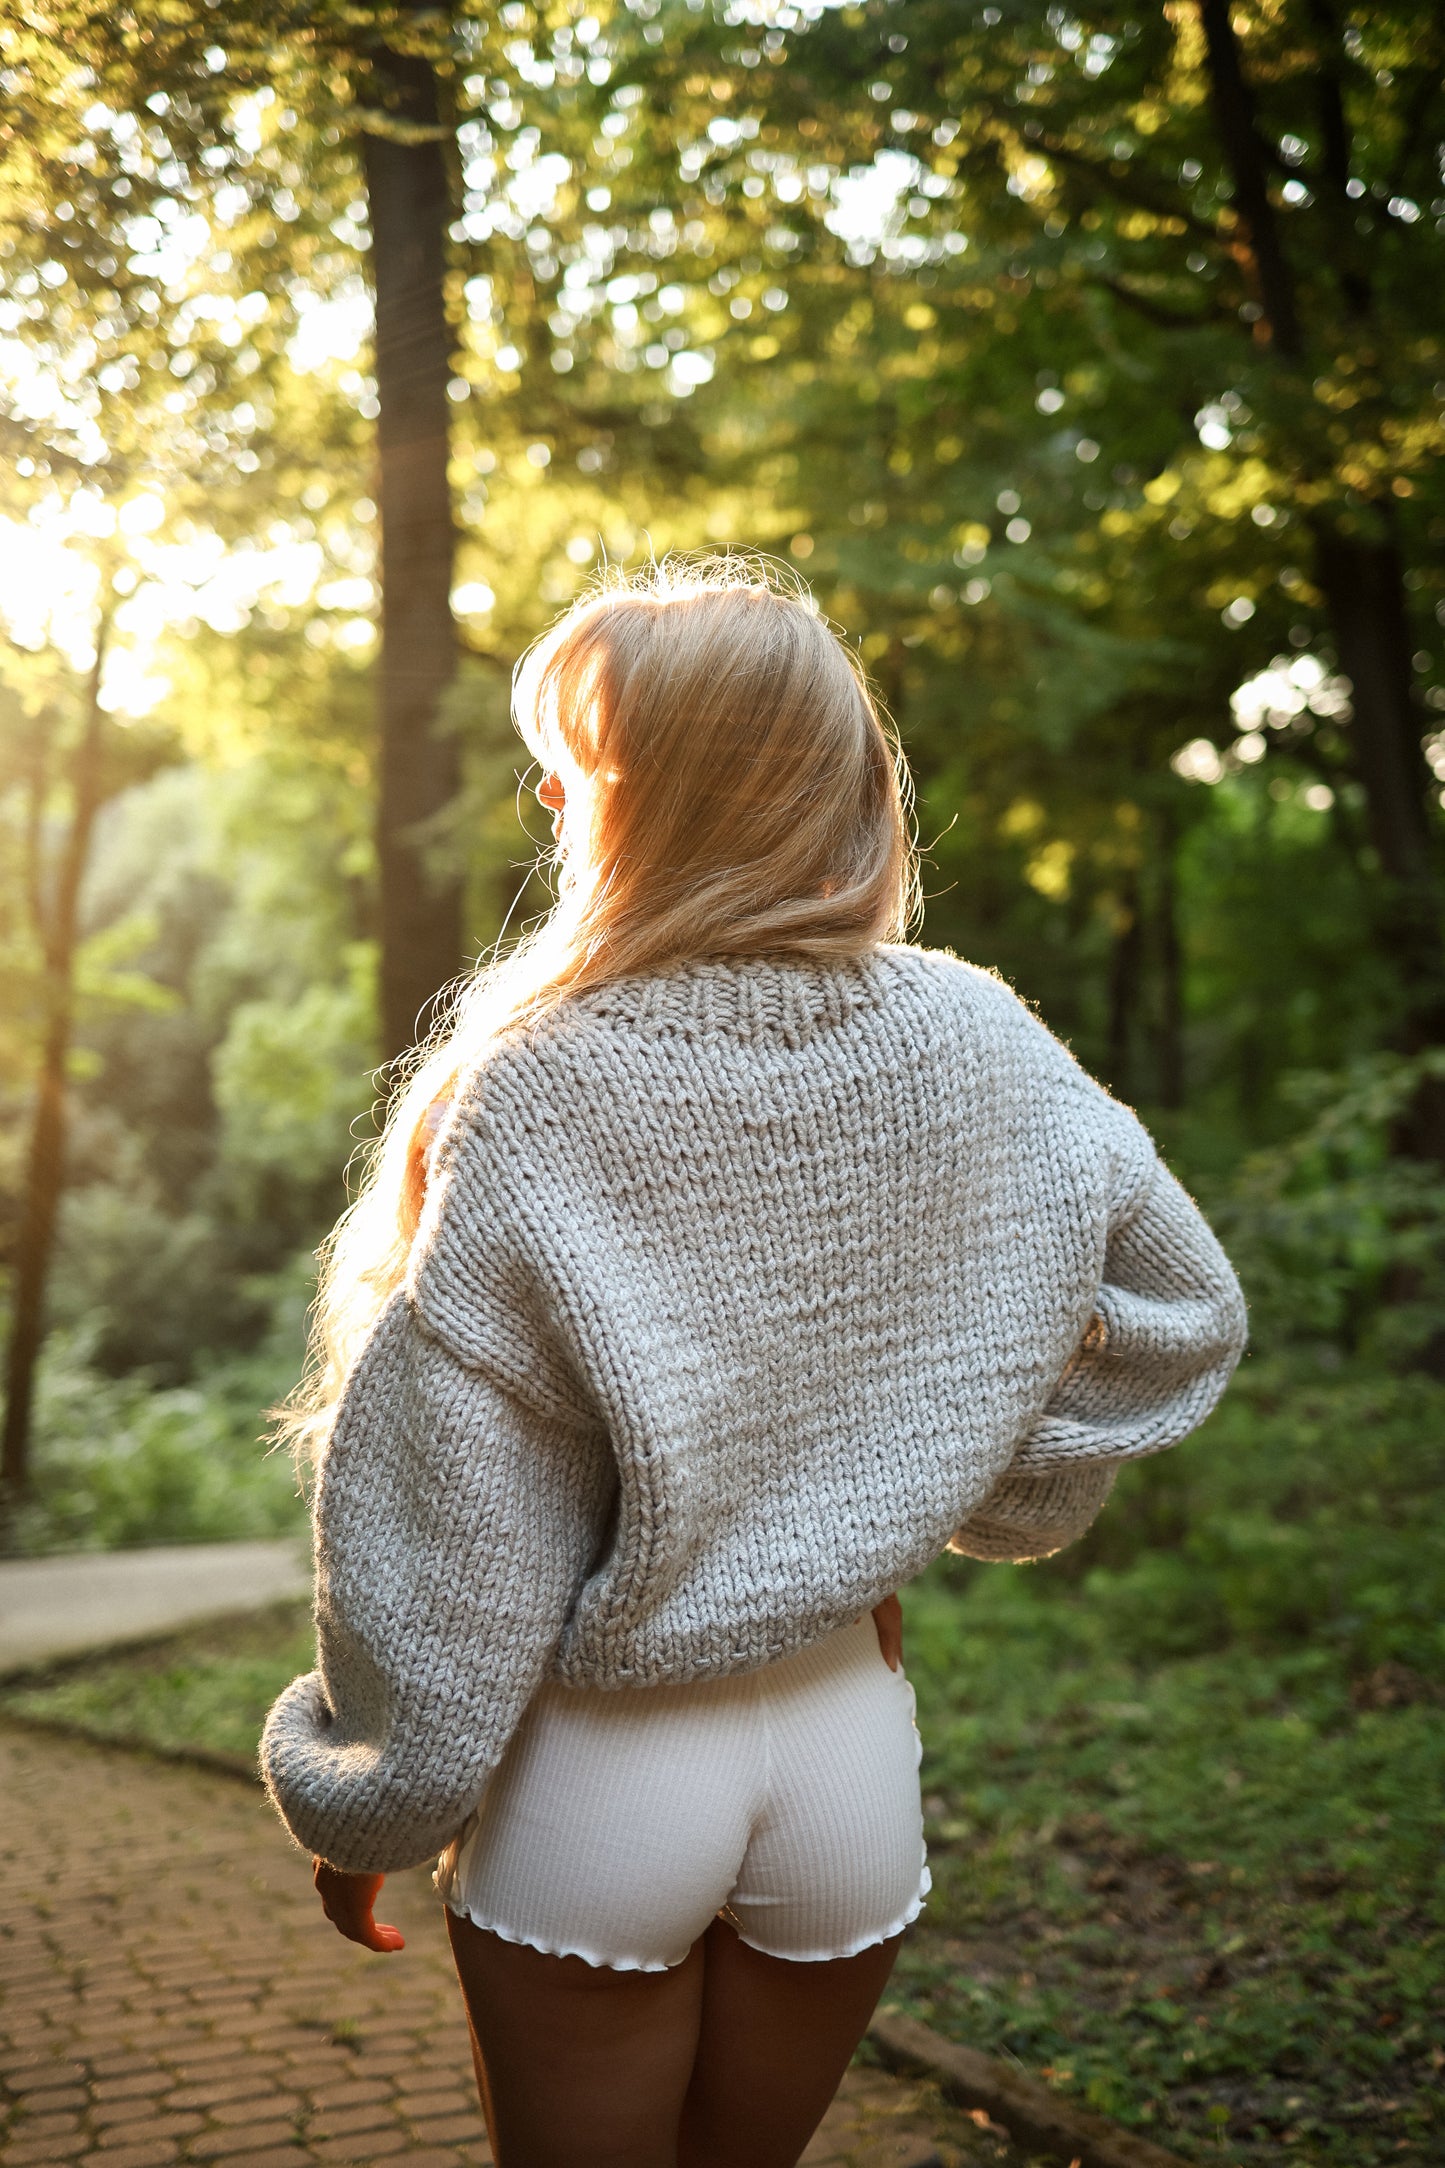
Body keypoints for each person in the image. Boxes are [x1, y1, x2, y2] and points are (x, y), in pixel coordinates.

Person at [261, 556, 1247, 2168]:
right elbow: (1184, 1315)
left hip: (604, 1775)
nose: (550, 801)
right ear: (847, 788)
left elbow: (455, 1497)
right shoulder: (981, 1034)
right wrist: (956, 1486)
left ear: (639, 807)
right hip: (849, 1756)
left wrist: (383, 1790)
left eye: (577, 773)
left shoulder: (530, 1085)